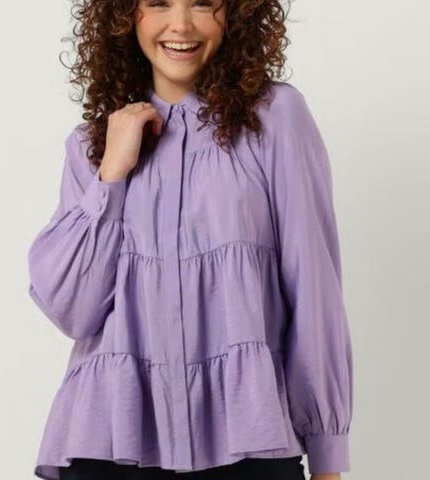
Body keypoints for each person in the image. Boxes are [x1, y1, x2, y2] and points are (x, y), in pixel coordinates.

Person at [26, 0, 353, 479]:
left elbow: (314, 289)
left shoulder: (276, 118)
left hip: (249, 441)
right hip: (110, 443)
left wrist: (327, 454)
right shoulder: (91, 145)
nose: (180, 25)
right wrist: (112, 173)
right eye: (158, 3)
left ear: (235, 13)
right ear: (125, 15)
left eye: (202, 3)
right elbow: (74, 309)